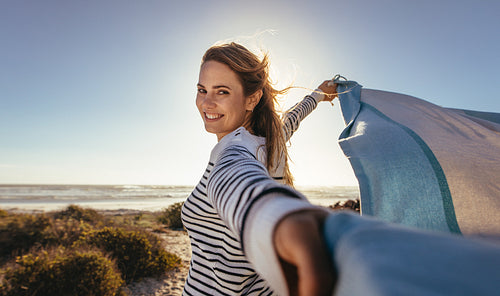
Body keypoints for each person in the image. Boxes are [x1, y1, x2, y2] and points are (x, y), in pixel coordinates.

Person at [181, 42, 338, 296]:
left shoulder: (233, 153)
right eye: (202, 90)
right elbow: (293, 117)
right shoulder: (271, 139)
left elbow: (240, 183)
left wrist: (282, 221)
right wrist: (318, 94)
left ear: (252, 99)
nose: (206, 103)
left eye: (222, 92)